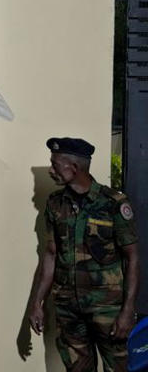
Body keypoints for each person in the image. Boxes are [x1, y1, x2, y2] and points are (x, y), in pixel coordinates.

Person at [28, 137, 138, 371]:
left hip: (107, 310)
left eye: (55, 165)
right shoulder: (55, 204)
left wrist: (127, 311)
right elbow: (50, 254)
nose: (51, 170)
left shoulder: (113, 203)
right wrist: (37, 302)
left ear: (74, 168)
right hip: (69, 310)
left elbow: (132, 258)